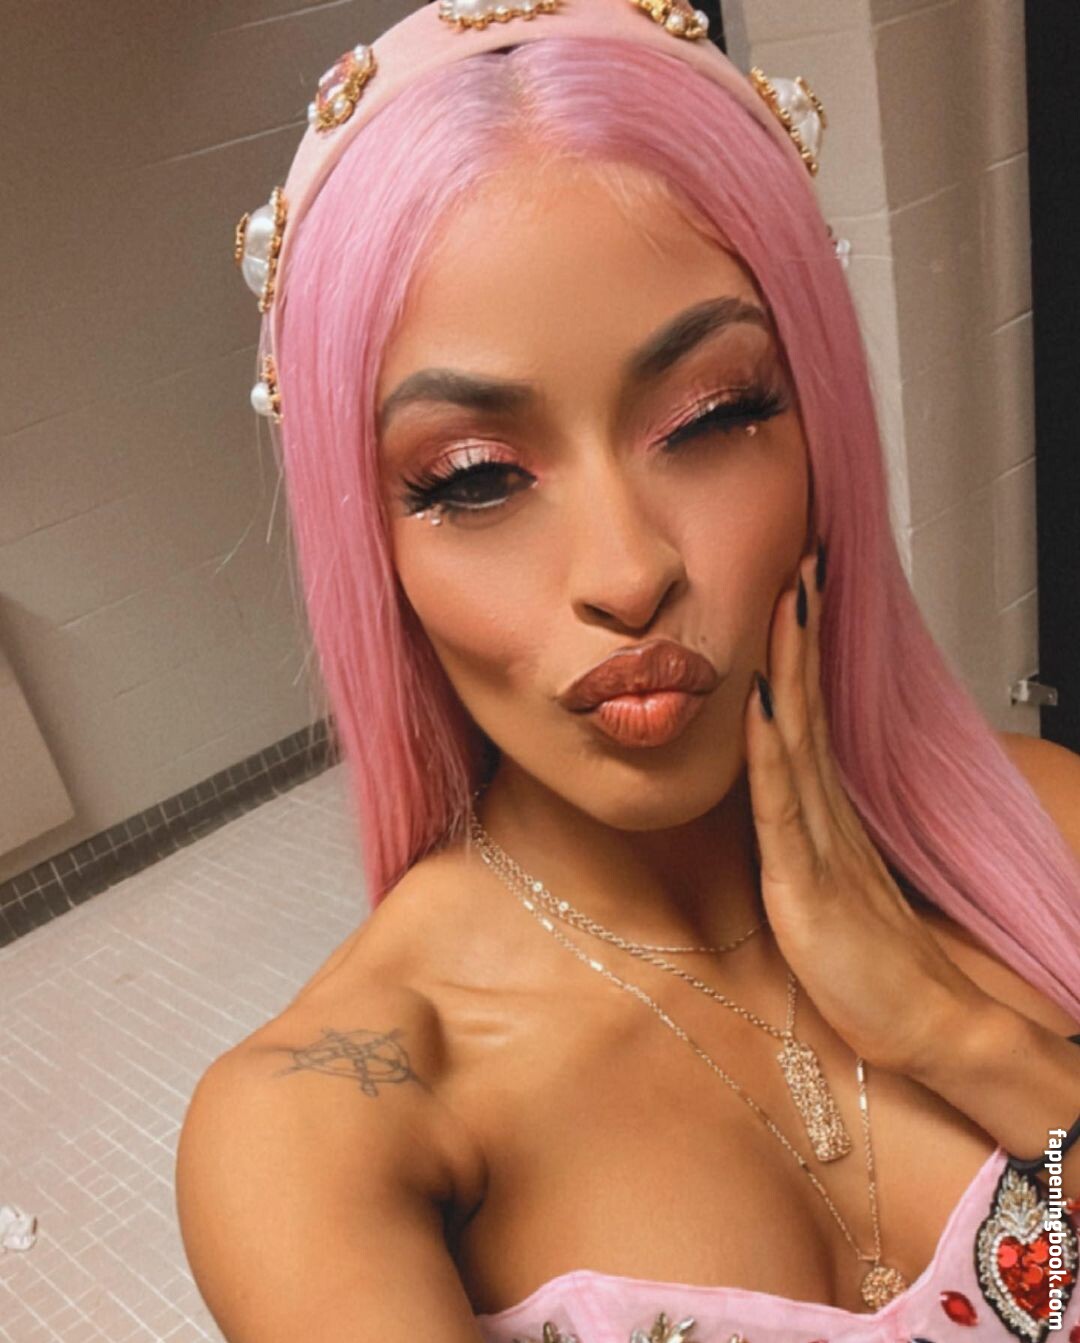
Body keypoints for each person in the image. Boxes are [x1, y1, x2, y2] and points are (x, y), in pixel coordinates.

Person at [176, 2, 1080, 1339]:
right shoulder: (322, 1127)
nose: (626, 569)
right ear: (371, 543)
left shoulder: (1047, 826)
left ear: (821, 424)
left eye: (714, 415)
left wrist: (963, 1035)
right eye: (472, 477)